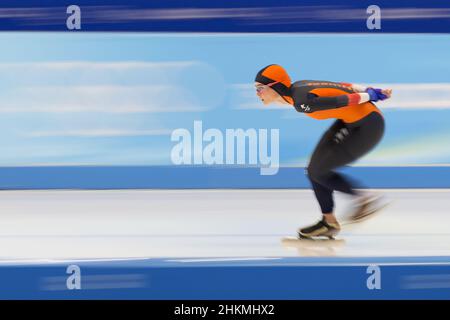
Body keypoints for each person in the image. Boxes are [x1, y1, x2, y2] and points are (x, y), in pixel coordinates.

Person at [254, 64, 390, 239]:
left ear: (276, 86)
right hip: (350, 121)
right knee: (313, 171)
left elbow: (340, 100)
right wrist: (369, 90)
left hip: (368, 127)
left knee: (319, 171)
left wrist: (369, 95)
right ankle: (329, 223)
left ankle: (365, 200)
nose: (258, 94)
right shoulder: (298, 88)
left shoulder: (301, 101)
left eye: (260, 89)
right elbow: (342, 85)